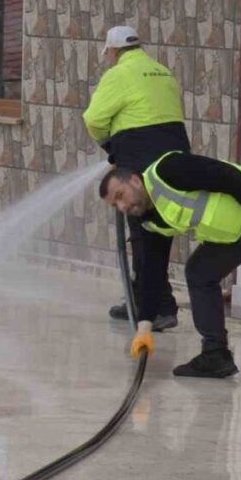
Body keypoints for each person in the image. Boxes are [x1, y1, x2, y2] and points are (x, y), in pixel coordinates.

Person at [100, 151, 241, 395]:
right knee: (199, 272)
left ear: (135, 180)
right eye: (115, 205)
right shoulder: (149, 222)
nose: (123, 206)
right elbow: (152, 272)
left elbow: (225, 174)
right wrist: (144, 326)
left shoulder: (168, 170)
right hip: (236, 230)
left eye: (121, 196)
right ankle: (215, 355)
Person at [83, 26, 189, 331]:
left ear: (114, 51)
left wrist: (110, 146)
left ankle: (153, 308)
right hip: (175, 162)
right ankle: (155, 301)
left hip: (140, 162)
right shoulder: (161, 71)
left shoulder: (118, 74)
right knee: (158, 233)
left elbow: (93, 119)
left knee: (143, 236)